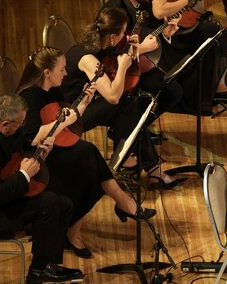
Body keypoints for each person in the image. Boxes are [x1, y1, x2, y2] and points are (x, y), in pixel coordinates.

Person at [16, 47, 156, 258]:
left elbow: (67, 123)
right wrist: (64, 121)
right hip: (37, 161)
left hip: (54, 149)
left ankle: (78, 228)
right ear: (47, 73)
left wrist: (84, 103)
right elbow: (32, 137)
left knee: (92, 167)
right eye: (62, 69)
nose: (66, 73)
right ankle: (117, 206)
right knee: (91, 163)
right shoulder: (29, 98)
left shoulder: (53, 90)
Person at [0, 94, 83, 284]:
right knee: (49, 204)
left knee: (64, 204)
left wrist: (41, 152)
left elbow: (18, 147)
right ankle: (38, 273)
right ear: (6, 124)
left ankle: (48, 266)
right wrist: (24, 174)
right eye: (20, 123)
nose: (22, 127)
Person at [59, 7, 181, 190]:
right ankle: (142, 166)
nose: (124, 36)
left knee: (130, 110)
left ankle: (141, 164)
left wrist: (135, 50)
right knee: (126, 103)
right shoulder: (87, 58)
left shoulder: (98, 45)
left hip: (89, 102)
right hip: (71, 114)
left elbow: (115, 61)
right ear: (111, 37)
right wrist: (123, 66)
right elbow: (112, 97)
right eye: (122, 33)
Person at [103, 0, 185, 112]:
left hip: (140, 62)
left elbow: (151, 31)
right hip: (116, 72)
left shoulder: (144, 3)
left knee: (176, 86)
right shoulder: (114, 12)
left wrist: (165, 33)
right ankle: (134, 123)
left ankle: (141, 122)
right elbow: (108, 54)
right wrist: (141, 48)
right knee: (171, 92)